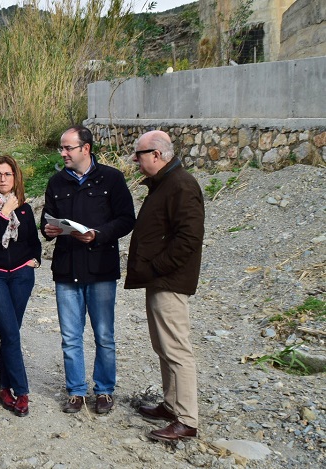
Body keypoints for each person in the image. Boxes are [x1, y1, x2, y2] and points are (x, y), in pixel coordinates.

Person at [41, 126, 135, 414]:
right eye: (61, 148)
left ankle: (104, 390)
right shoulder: (56, 182)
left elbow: (126, 219)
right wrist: (48, 230)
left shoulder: (112, 178)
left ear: (86, 148)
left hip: (101, 269)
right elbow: (46, 220)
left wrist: (98, 234)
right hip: (67, 269)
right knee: (70, 336)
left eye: (68, 148)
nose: (63, 153)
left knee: (104, 335)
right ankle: (76, 391)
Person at [125, 130, 204, 442]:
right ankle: (172, 405)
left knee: (177, 349)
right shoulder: (167, 183)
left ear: (156, 155)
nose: (135, 159)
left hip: (169, 280)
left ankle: (187, 419)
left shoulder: (182, 185)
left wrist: (156, 267)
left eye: (139, 154)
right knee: (163, 346)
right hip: (160, 279)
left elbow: (189, 238)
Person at [0, 155, 42, 417]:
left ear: (15, 177)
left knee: (10, 332)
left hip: (22, 276)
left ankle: (4, 388)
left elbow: (33, 240)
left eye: (7, 174)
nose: (3, 179)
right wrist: (3, 213)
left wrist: (34, 260)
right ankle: (22, 392)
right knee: (11, 333)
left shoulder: (23, 207)